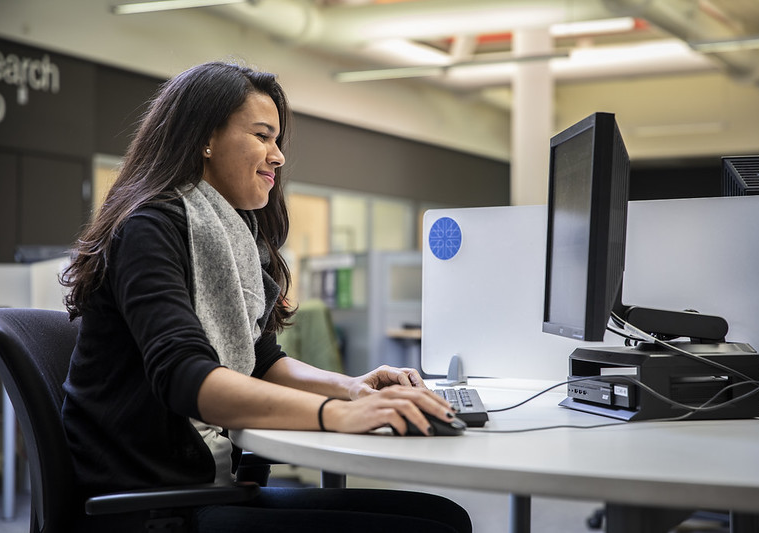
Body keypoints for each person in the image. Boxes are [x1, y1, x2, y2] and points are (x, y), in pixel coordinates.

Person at [60, 61, 472, 533]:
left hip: (199, 483)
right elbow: (184, 377)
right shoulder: (148, 229)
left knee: (445, 516)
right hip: (150, 503)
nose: (277, 156)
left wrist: (352, 386)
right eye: (262, 136)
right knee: (436, 528)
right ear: (204, 139)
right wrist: (337, 415)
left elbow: (259, 359)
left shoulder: (231, 233)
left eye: (277, 140)